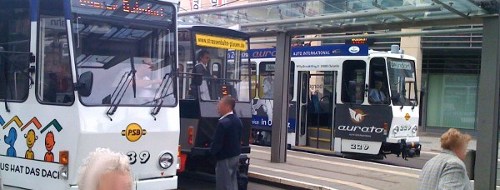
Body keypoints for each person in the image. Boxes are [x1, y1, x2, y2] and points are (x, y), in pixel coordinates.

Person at [210, 96, 242, 190]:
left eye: (220, 105)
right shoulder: (237, 120)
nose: (218, 107)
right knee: (232, 182)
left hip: (224, 158)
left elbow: (217, 142)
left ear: (227, 106)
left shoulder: (223, 123)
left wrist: (212, 153)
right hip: (235, 155)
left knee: (223, 184)